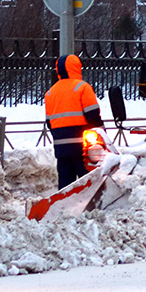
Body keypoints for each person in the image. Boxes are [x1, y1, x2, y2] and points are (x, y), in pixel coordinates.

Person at [45, 54, 105, 190]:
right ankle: (88, 207)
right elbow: (93, 115)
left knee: (66, 185)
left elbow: (49, 122)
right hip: (83, 147)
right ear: (77, 67)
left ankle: (65, 208)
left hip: (61, 147)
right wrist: (102, 135)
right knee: (88, 182)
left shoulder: (50, 92)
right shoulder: (82, 87)